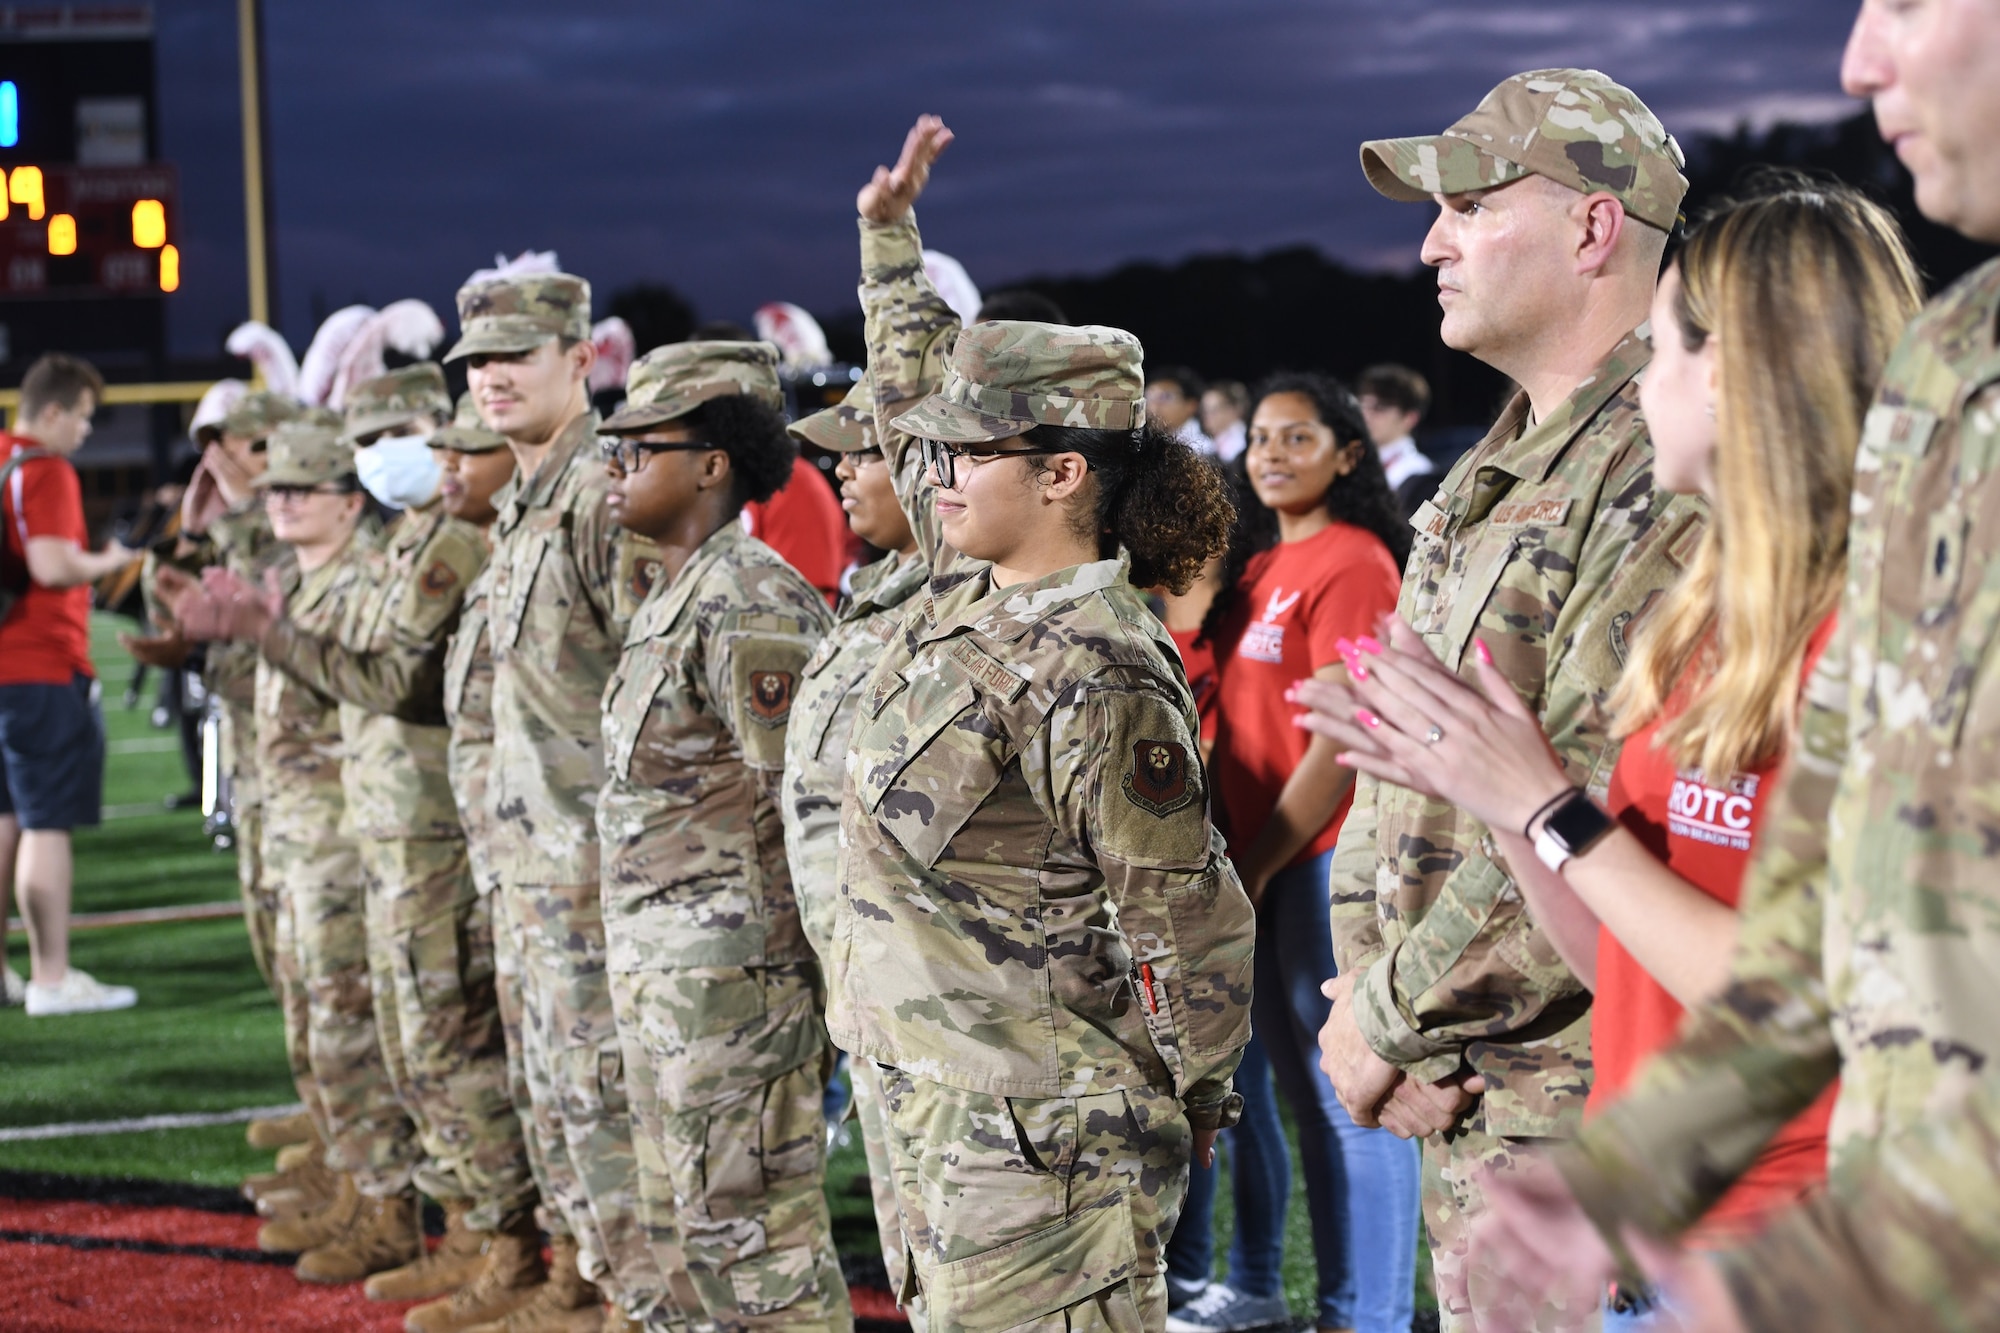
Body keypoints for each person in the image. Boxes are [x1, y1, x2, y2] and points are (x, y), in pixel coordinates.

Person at [1444, 3, 2000, 1327]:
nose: (1861, 60)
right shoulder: (1956, 362)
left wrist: (1546, 805)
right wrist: (1622, 1192)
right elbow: (1832, 920)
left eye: (1912, 4)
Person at [1297, 178, 1922, 1326]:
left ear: (1731, 370)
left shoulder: (1879, 641)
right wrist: (1486, 787)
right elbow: (1622, 963)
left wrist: (1544, 806)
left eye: (1666, 349)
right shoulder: (1711, 626)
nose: (1643, 379)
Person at [1301, 68, 1705, 1330]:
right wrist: (1371, 1020)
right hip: (1468, 1097)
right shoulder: (1502, 460)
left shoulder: (1662, 457)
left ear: (1592, 227)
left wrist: (1380, 1024)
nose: (1430, 242)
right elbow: (1390, 766)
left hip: (1581, 1123)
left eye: (1468, 204)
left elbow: (1583, 807)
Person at [847, 111, 1255, 1333]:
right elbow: (912, 388)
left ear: (1064, 472)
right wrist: (887, 240)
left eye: (972, 452)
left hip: (1042, 1145)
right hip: (940, 1115)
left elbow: (1184, 912)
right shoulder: (977, 579)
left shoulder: (1096, 662)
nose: (934, 471)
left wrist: (1177, 1111)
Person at [174, 364, 539, 1299]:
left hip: (414, 834)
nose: (403, 461)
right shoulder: (409, 548)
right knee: (386, 1033)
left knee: (441, 1044)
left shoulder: (448, 547)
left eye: (412, 439)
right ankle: (419, 1211)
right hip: (365, 830)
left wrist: (260, 626)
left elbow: (391, 681)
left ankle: (492, 1241)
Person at [593, 340, 848, 1331]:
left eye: (638, 449)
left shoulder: (749, 600)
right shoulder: (677, 591)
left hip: (737, 985)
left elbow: (811, 804)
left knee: (756, 1247)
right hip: (674, 977)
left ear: (710, 463)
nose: (616, 470)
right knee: (692, 1240)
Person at [450, 269, 677, 1333]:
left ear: (580, 359)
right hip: (524, 867)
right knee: (557, 1105)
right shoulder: (526, 503)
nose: (490, 377)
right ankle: (580, 1287)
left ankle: (633, 1306)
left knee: (608, 1112)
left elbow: (663, 689)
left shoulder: (604, 495)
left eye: (514, 356)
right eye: (478, 361)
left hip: (593, 877)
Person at [1170, 373, 1414, 1333]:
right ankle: (1337, 1304)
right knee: (1295, 1093)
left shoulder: (1354, 562)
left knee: (1346, 1096)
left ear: (1348, 453)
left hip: (1316, 862)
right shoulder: (1264, 565)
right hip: (1259, 861)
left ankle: (1376, 1314)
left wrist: (1264, 858)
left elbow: (1340, 736)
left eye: (1297, 437)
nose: (1269, 453)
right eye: (1261, 438)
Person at [193, 420, 425, 1284]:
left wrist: (259, 627)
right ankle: (352, 1183)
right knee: (313, 1020)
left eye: (302, 489)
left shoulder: (361, 580)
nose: (282, 502)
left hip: (345, 832)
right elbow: (270, 690)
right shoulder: (294, 576)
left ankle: (386, 1206)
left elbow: (370, 690)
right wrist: (215, 633)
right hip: (297, 830)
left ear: (349, 499)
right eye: (276, 489)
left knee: (348, 1026)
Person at [777, 377, 930, 1326]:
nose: (841, 467)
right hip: (867, 980)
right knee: (916, 1254)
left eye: (866, 448)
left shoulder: (959, 598)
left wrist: (885, 248)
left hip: (934, 993)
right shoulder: (876, 590)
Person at [0, 352, 137, 1016]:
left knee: (4, 819)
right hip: (38, 665)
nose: (85, 432)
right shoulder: (44, 467)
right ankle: (50, 976)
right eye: (82, 418)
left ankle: (6, 971)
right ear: (51, 411)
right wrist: (109, 560)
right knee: (46, 823)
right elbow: (51, 566)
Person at [1354, 365, 1437, 520]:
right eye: (1362, 405)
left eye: (1379, 408)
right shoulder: (1351, 463)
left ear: (1409, 418)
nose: (1366, 415)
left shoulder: (1422, 478)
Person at [1147, 365, 1214, 454]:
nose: (1154, 405)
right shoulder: (1148, 441)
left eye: (1165, 397)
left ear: (1191, 405)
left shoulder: (1204, 449)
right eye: (1150, 397)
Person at [1200, 381, 1249, 464]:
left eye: (1213, 410)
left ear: (1231, 410)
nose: (1207, 416)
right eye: (1204, 410)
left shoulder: (1241, 440)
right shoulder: (1212, 440)